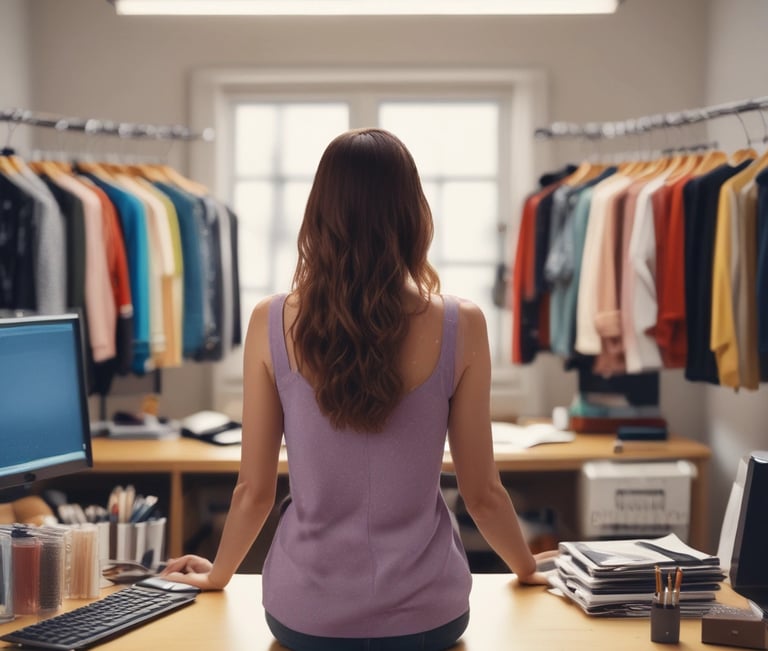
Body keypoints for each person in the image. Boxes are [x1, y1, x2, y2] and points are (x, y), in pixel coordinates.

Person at [162, 127, 554, 650]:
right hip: (429, 618)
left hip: (304, 618)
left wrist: (218, 577)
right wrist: (526, 568)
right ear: (413, 215)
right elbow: (482, 494)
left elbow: (253, 493)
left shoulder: (270, 321)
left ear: (318, 215)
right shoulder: (464, 325)